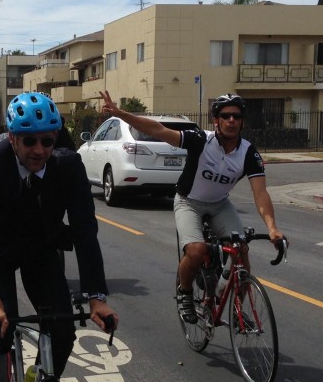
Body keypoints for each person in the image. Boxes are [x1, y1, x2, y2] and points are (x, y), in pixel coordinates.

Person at [0, 92, 119, 382]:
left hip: (41, 249)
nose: (39, 150)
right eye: (29, 141)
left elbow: (84, 231)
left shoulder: (69, 166)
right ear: (12, 137)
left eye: (47, 141)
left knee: (64, 328)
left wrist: (96, 295)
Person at [98, 90, 286, 324]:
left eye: (236, 116)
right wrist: (120, 114)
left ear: (242, 121)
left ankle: (237, 308)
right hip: (189, 202)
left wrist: (272, 228)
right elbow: (158, 130)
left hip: (220, 204)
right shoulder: (201, 140)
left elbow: (261, 193)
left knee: (241, 251)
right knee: (196, 250)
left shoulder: (248, 152)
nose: (231, 121)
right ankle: (185, 292)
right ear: (216, 120)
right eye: (225, 116)